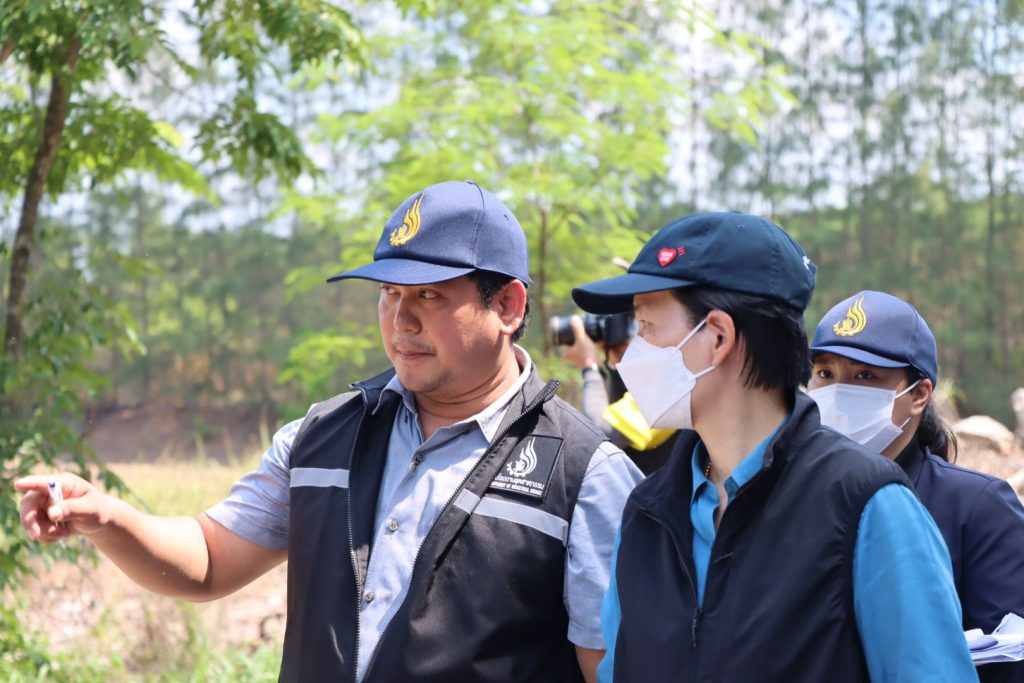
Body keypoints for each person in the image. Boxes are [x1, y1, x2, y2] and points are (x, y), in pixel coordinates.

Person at [17, 180, 642, 683]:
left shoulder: (583, 473)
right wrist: (106, 518)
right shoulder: (322, 438)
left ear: (507, 306)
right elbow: (208, 560)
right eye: (389, 293)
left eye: (429, 295)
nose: (401, 320)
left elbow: (611, 668)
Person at [571, 212, 977, 682]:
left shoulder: (866, 505)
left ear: (718, 336)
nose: (634, 352)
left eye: (646, 325)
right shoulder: (647, 513)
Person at [808, 290, 1024, 683]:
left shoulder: (978, 508)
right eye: (825, 374)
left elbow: (1007, 661)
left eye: (865, 376)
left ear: (919, 395)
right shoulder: (790, 498)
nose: (837, 393)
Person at [560, 315, 675, 475]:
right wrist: (615, 357)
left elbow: (598, 432)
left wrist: (589, 366)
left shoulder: (673, 382)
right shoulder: (643, 380)